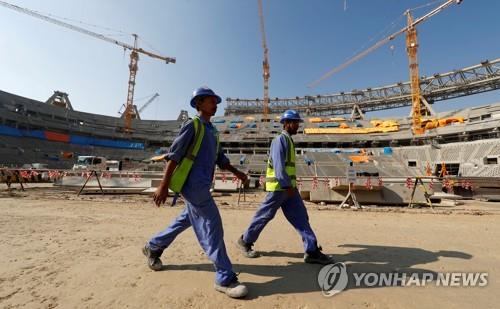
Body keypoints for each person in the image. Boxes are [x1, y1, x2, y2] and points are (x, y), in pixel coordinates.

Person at [143, 87, 249, 298]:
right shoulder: (192, 126)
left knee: (186, 219)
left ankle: (153, 246)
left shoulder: (213, 131)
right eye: (211, 101)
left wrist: (238, 173)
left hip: (201, 185)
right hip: (192, 186)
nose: (215, 104)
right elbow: (174, 156)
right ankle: (224, 277)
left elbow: (221, 159)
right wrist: (163, 185)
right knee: (213, 225)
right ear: (199, 104)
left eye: (216, 101)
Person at [236, 110, 335, 265]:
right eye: (295, 122)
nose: (297, 125)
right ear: (286, 123)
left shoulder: (288, 141)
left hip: (289, 189)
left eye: (297, 122)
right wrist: (286, 185)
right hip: (279, 188)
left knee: (301, 217)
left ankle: (311, 251)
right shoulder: (279, 140)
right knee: (264, 215)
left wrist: (290, 187)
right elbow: (278, 167)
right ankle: (245, 241)